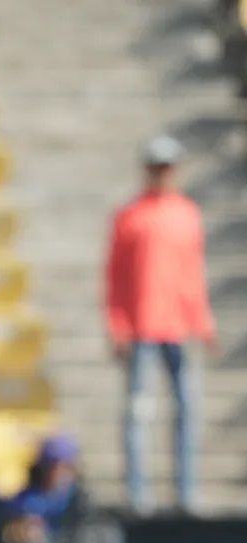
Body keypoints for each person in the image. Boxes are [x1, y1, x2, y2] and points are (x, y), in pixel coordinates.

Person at [105, 134, 217, 513]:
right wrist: (117, 323)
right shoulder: (130, 215)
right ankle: (139, 495)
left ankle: (186, 494)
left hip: (178, 327)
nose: (162, 173)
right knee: (139, 412)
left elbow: (193, 275)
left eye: (167, 166)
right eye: (157, 166)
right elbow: (116, 276)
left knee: (187, 409)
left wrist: (203, 322)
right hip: (141, 327)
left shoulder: (187, 214)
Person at [2, 434, 87, 543]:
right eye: (52, 466)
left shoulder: (80, 502)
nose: (57, 472)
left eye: (64, 466)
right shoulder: (25, 500)